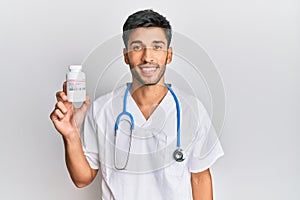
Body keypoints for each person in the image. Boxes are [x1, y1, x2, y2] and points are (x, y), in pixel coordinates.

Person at [50, 9, 224, 200]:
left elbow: (200, 178)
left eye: (157, 47)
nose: (147, 57)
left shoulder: (192, 110)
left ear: (169, 55)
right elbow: (82, 179)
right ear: (126, 56)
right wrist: (71, 135)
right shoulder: (102, 109)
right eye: (137, 47)